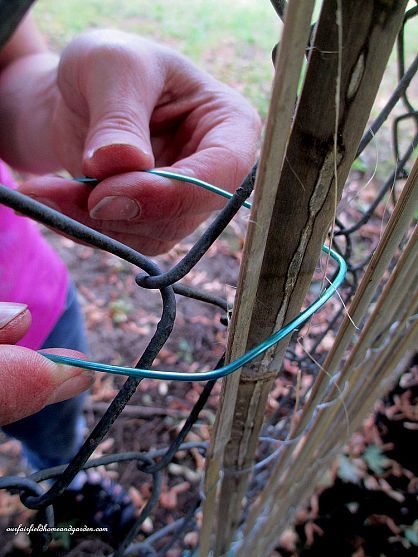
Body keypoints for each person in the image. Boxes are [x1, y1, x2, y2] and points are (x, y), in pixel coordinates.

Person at [0, 6, 259, 541]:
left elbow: (11, 67)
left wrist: (63, 106)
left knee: (56, 435)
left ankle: (65, 494)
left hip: (36, 302)